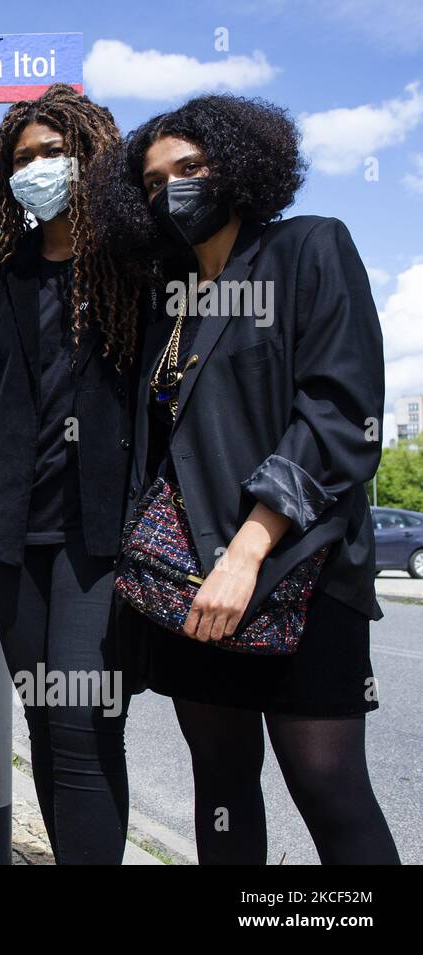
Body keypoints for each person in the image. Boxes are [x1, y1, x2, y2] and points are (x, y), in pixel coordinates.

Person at [89, 93, 400, 864]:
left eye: (190, 168)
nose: (174, 190)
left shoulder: (310, 249)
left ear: (238, 163)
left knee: (329, 787)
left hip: (300, 569)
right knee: (222, 784)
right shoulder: (172, 302)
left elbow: (338, 413)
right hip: (191, 581)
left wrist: (248, 551)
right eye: (157, 182)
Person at [0, 84, 144, 864]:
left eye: (53, 152)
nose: (39, 168)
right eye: (23, 157)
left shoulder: (133, 265)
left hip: (102, 536)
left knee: (86, 721)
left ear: (90, 155)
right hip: (9, 533)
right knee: (43, 720)